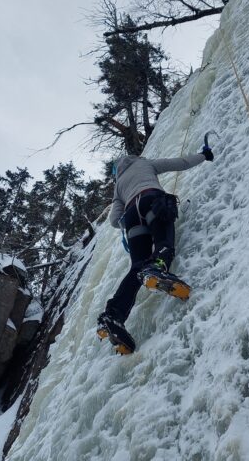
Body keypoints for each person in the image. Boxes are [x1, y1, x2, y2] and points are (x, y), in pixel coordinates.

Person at [97, 144, 214, 354]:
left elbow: (114, 220)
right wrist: (203, 156)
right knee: (163, 243)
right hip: (153, 200)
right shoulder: (145, 163)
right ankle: (158, 266)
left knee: (137, 267)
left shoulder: (118, 185)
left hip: (132, 215)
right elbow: (180, 163)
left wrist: (129, 221)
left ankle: (113, 315)